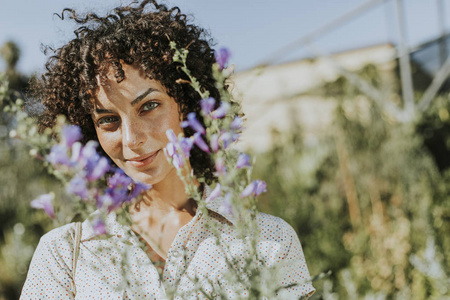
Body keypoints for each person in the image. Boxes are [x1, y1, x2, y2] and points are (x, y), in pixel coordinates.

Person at [20, 1, 315, 299]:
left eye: (148, 106)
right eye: (108, 120)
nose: (132, 139)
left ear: (184, 104)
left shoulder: (270, 241)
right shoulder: (63, 255)